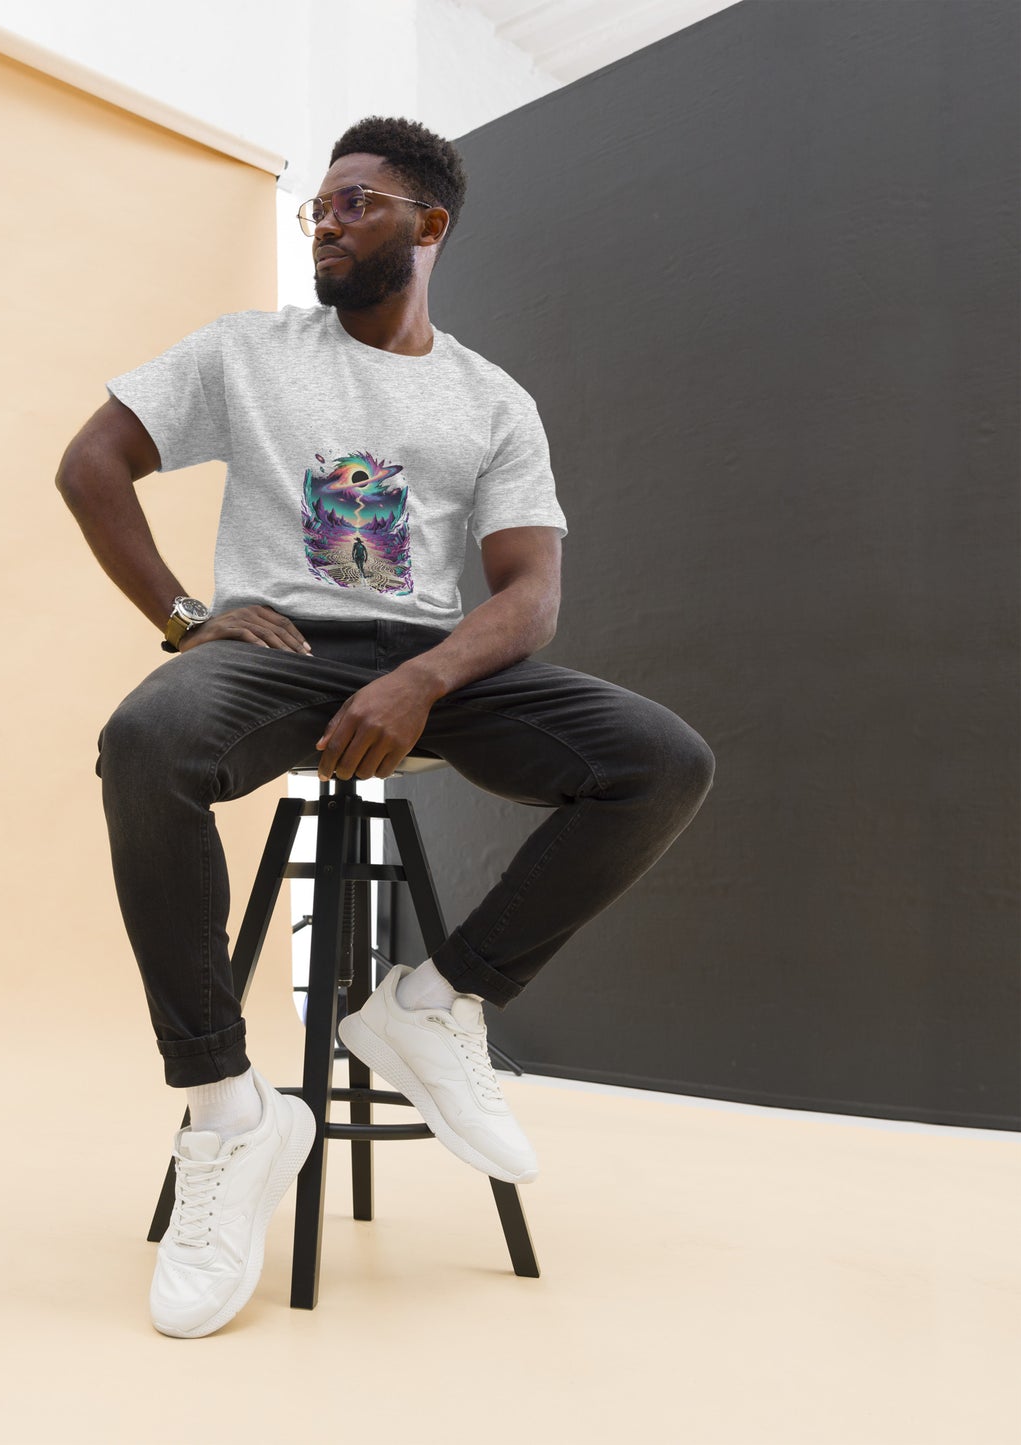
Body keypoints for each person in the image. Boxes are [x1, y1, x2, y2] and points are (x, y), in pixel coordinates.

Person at [56, 115, 715, 1338]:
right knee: (144, 743)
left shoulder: (488, 399)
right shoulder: (246, 352)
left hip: (433, 660)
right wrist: (188, 615)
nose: (324, 220)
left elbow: (528, 593)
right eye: (316, 206)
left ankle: (431, 1002)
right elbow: (89, 462)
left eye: (353, 203)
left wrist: (421, 680)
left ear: (427, 224)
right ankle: (227, 1111)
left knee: (660, 760)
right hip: (280, 653)